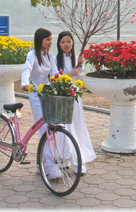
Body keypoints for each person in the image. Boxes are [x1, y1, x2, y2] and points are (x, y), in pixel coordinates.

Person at [21, 28, 62, 179]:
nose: (50, 42)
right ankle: (50, 168)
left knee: (51, 128)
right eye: (47, 39)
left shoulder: (50, 56)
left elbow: (55, 73)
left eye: (51, 39)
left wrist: (63, 83)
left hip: (48, 93)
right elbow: (27, 69)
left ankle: (41, 164)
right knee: (44, 129)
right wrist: (24, 83)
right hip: (35, 93)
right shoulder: (32, 55)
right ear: (40, 40)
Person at [54, 31, 96, 176]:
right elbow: (54, 80)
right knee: (63, 129)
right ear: (59, 44)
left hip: (74, 97)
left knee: (76, 128)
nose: (66, 45)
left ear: (73, 43)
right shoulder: (55, 60)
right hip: (61, 97)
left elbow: (79, 80)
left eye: (69, 41)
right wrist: (69, 75)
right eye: (63, 42)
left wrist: (80, 66)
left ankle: (78, 161)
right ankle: (64, 159)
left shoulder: (76, 60)